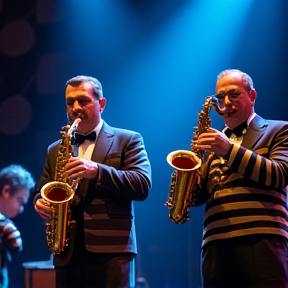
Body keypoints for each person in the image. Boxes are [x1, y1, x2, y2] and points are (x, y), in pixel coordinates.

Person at [34, 75, 152, 288]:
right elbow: (42, 188)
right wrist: (39, 202)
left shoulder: (128, 139)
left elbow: (142, 184)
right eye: (70, 102)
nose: (75, 108)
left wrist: (97, 170)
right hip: (66, 251)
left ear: (101, 104)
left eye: (83, 100)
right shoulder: (55, 149)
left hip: (112, 251)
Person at [190, 69, 288, 288]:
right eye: (220, 97)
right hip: (215, 245)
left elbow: (280, 175)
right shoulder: (213, 143)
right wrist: (189, 181)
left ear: (252, 96)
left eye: (234, 95)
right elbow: (198, 200)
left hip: (261, 240)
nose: (225, 103)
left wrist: (228, 150)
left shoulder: (279, 130)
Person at [0, 164, 35, 288]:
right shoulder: (4, 225)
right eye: (20, 201)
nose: (21, 210)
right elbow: (16, 244)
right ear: (6, 191)